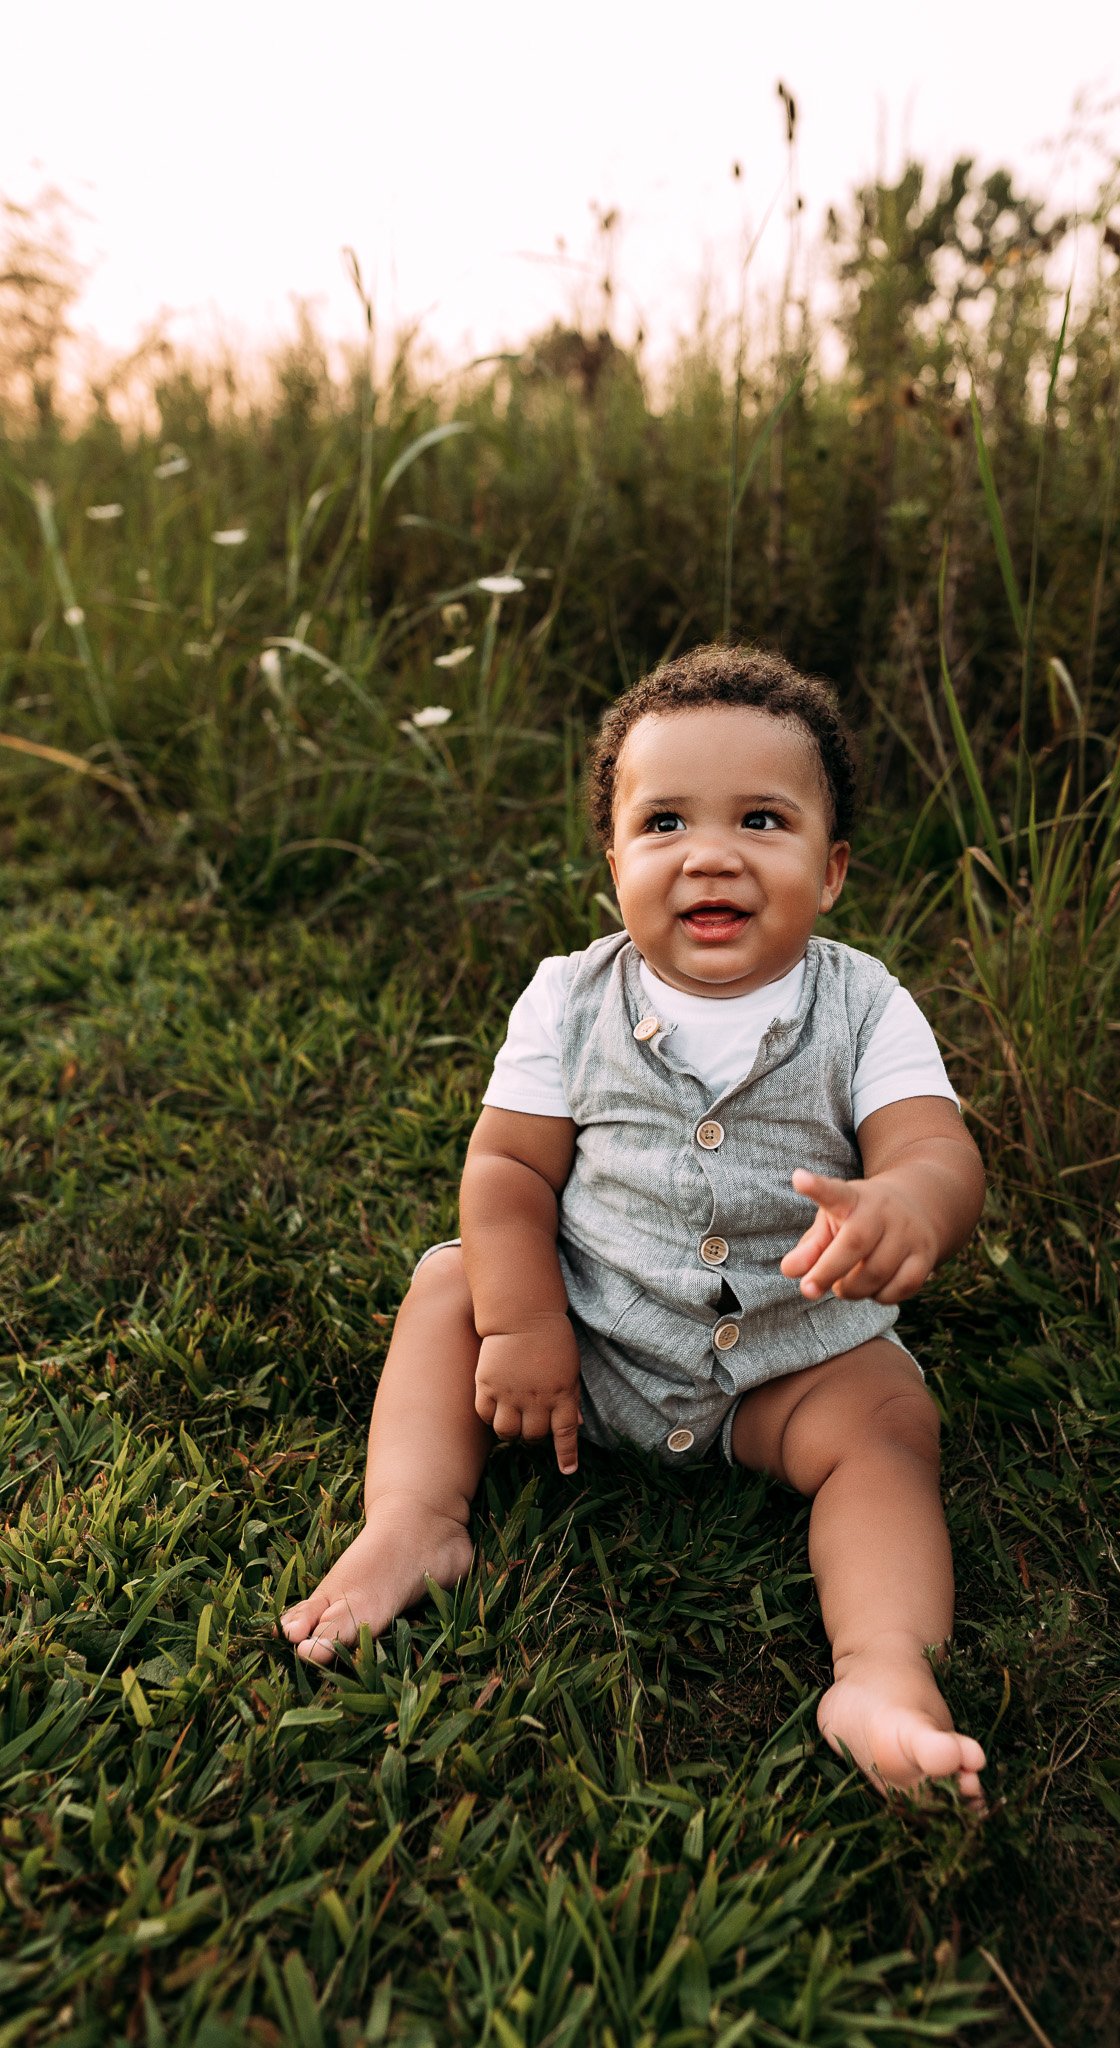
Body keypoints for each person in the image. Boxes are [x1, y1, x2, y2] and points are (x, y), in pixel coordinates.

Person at [280, 643, 988, 1799]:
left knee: (890, 1423)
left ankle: (881, 1669)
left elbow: (932, 1145)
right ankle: (414, 1517)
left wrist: (905, 1199)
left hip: (785, 1367)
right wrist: (522, 1323)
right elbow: (508, 1168)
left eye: (762, 818)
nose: (711, 852)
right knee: (449, 1283)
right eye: (664, 822)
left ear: (833, 866)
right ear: (613, 857)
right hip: (590, 1347)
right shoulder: (568, 994)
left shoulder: (867, 1004)